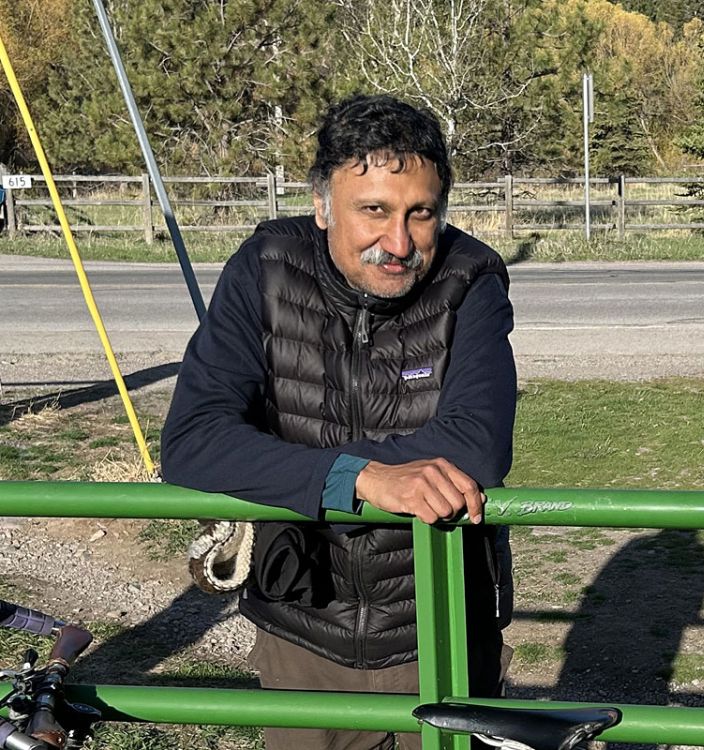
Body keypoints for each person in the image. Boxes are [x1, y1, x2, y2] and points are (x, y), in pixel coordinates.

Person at [160, 94, 517, 750]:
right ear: (322, 206)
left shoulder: (470, 279)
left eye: (420, 213)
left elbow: (478, 444)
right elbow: (192, 439)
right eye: (374, 211)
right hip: (302, 631)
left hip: (437, 628)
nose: (399, 243)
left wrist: (299, 473)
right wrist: (358, 478)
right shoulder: (265, 268)